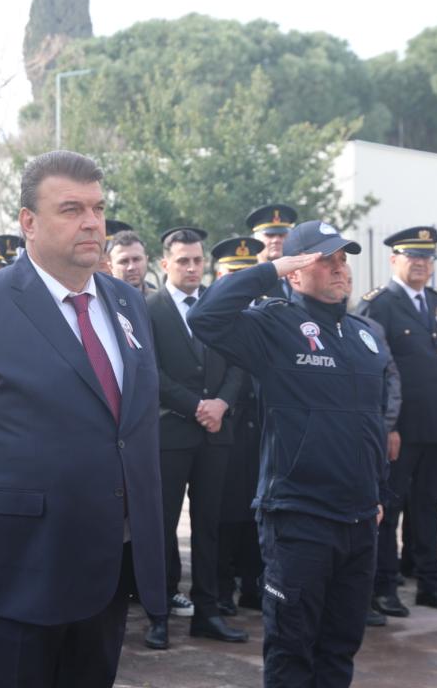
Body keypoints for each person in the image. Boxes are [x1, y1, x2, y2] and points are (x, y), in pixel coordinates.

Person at [0, 150, 165, 688]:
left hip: (110, 565)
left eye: (98, 208)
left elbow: (131, 430)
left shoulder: (127, 303)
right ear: (28, 221)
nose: (92, 222)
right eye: (71, 208)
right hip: (20, 573)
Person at [188, 220, 391, 688]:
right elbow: (206, 317)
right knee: (292, 649)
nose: (341, 269)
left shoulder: (364, 336)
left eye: (344, 259)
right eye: (326, 260)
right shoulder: (273, 325)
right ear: (296, 273)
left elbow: (370, 423)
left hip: (359, 517)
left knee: (340, 646)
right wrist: (270, 268)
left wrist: (377, 492)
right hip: (298, 516)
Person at [145, 226, 248, 650]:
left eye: (197, 260)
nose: (191, 267)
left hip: (216, 434)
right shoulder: (148, 308)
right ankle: (157, 616)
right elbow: (149, 371)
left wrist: (221, 404)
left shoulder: (220, 304)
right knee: (162, 527)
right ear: (164, 263)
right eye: (183, 260)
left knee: (210, 526)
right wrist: (196, 406)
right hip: (171, 432)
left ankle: (207, 613)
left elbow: (241, 363)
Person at [357, 226, 437, 616]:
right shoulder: (378, 304)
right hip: (400, 431)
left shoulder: (436, 303)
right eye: (412, 256)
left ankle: (429, 583)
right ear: (394, 259)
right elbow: (376, 371)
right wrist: (389, 426)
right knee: (390, 509)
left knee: (429, 507)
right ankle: (383, 586)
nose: (421, 263)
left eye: (427, 257)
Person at [207, 236, 265, 618]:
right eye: (233, 275)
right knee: (225, 512)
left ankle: (254, 584)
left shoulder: (270, 311)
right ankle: (221, 587)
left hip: (263, 425)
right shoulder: (213, 314)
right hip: (226, 423)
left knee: (257, 508)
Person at [245, 203, 297, 300]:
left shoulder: (299, 279)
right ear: (256, 239)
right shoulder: (248, 281)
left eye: (282, 235)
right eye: (270, 235)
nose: (276, 240)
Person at [108, 229, 151, 295]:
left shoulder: (161, 302)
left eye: (136, 259)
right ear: (110, 267)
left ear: (146, 261)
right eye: (124, 261)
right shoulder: (102, 302)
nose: (131, 267)